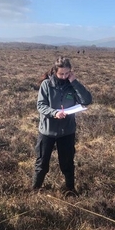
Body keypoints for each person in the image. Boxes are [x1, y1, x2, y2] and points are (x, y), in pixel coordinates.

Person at [32, 56, 92, 195]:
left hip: (67, 131)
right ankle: (34, 190)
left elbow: (87, 100)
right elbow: (41, 106)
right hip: (47, 130)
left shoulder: (72, 85)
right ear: (54, 72)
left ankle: (70, 190)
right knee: (42, 163)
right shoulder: (46, 85)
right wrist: (54, 113)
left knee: (67, 163)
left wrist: (74, 82)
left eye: (67, 73)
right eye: (61, 74)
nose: (64, 76)